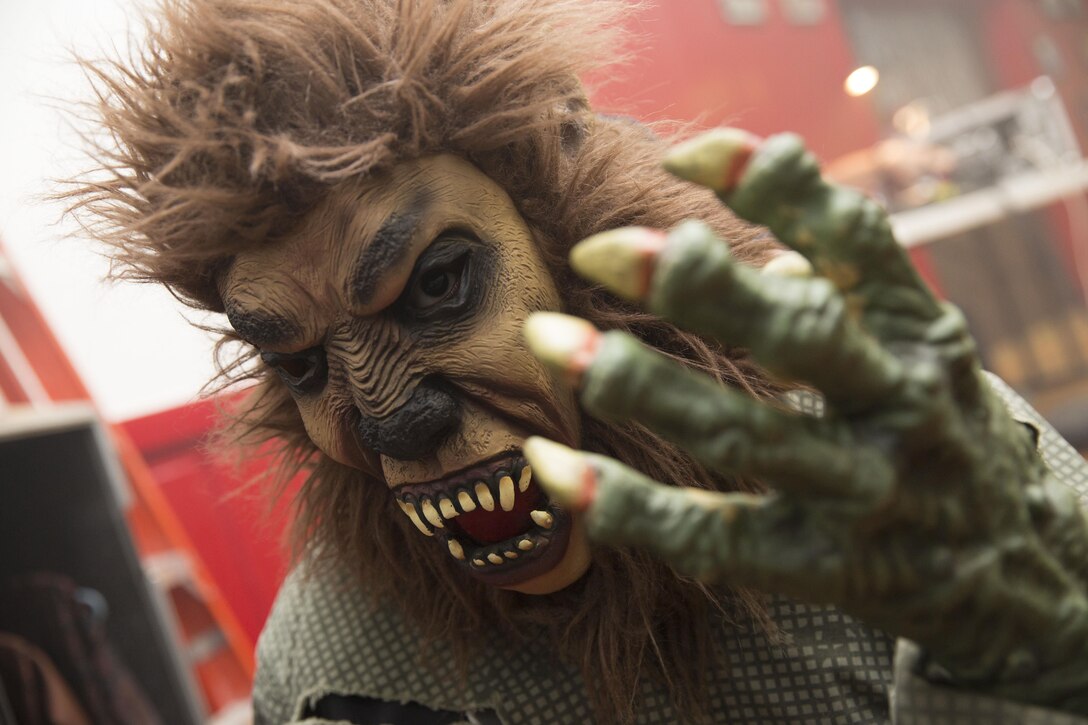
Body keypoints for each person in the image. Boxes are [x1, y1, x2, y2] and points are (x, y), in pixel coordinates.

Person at [71, 1, 1088, 722]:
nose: (388, 421)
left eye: (436, 286)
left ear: (558, 232)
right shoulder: (336, 648)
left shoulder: (889, 468)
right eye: (299, 362)